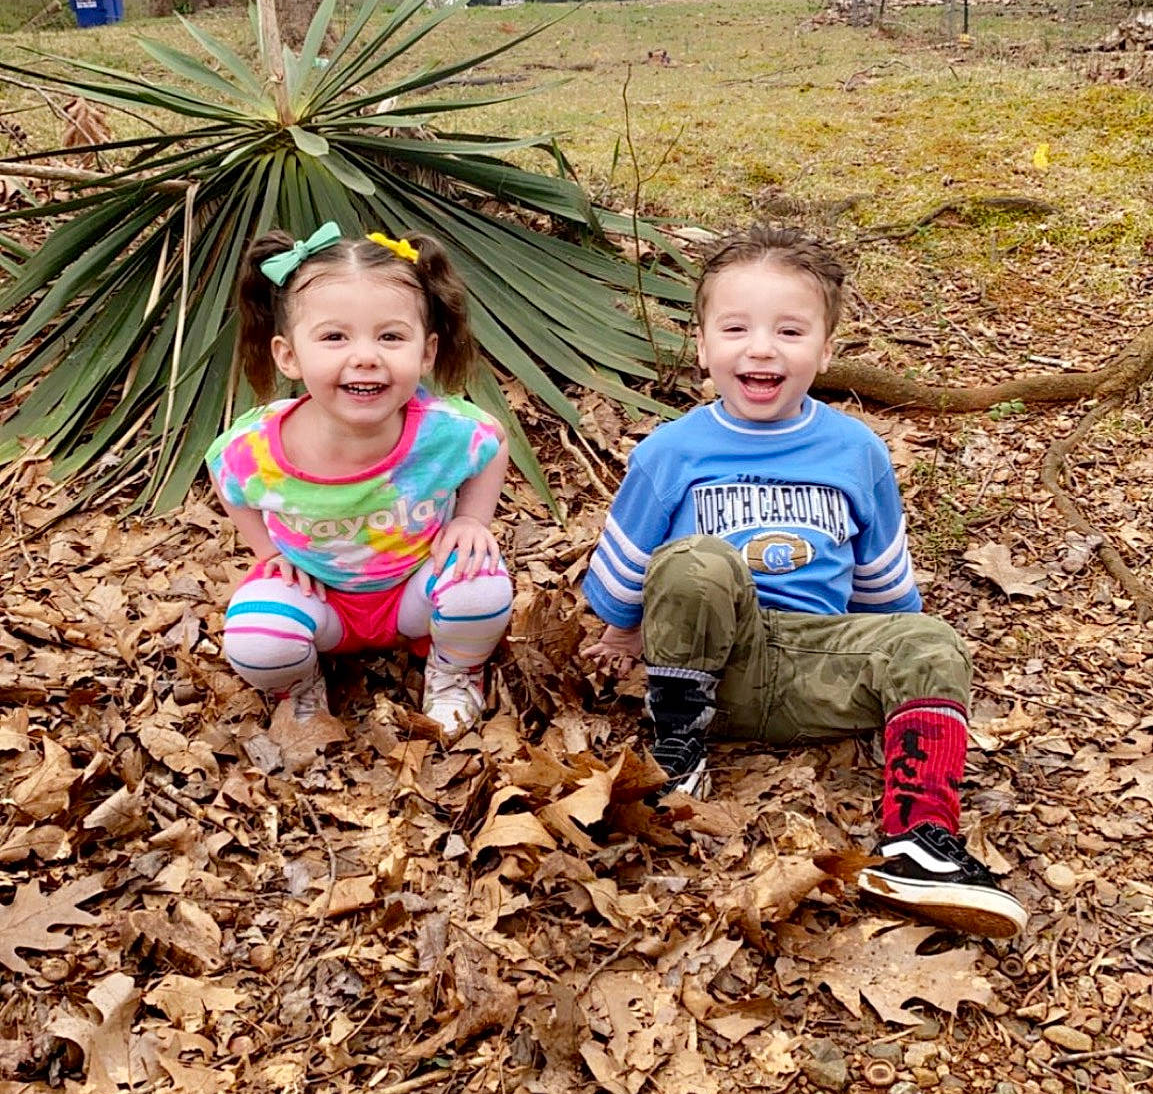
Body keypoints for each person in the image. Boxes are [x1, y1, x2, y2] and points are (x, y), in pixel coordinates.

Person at [582, 224, 1026, 942]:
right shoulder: (672, 450)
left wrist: (904, 654)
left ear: (823, 350)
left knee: (930, 639)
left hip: (816, 666)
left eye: (788, 330)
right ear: (701, 345)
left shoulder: (854, 449)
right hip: (709, 664)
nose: (760, 348)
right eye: (735, 328)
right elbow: (626, 566)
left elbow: (882, 581)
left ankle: (919, 841)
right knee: (698, 560)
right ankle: (677, 754)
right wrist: (618, 630)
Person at [206, 222, 513, 740]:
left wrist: (470, 519)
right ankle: (298, 686)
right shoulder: (258, 447)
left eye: (391, 336)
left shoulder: (441, 431)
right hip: (319, 598)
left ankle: (456, 672)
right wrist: (267, 553)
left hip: (414, 591)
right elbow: (225, 475)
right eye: (334, 337)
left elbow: (494, 441)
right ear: (289, 356)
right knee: (256, 642)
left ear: (427, 353)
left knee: (482, 587)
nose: (366, 355)